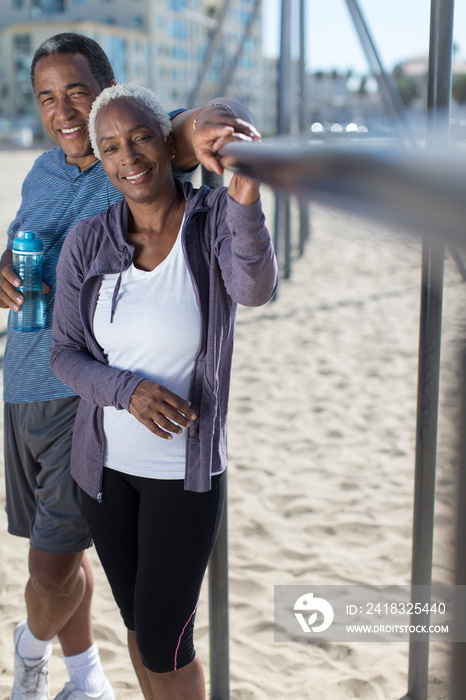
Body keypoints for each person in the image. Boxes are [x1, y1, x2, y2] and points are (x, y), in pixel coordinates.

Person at [0, 32, 262, 700]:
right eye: (46, 98)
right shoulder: (45, 176)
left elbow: (184, 127)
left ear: (104, 100)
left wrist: (213, 130)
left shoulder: (139, 158)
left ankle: (30, 656)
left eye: (77, 94)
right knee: (73, 571)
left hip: (87, 406)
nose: (62, 111)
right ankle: (85, 675)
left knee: (57, 569)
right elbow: (25, 253)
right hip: (27, 389)